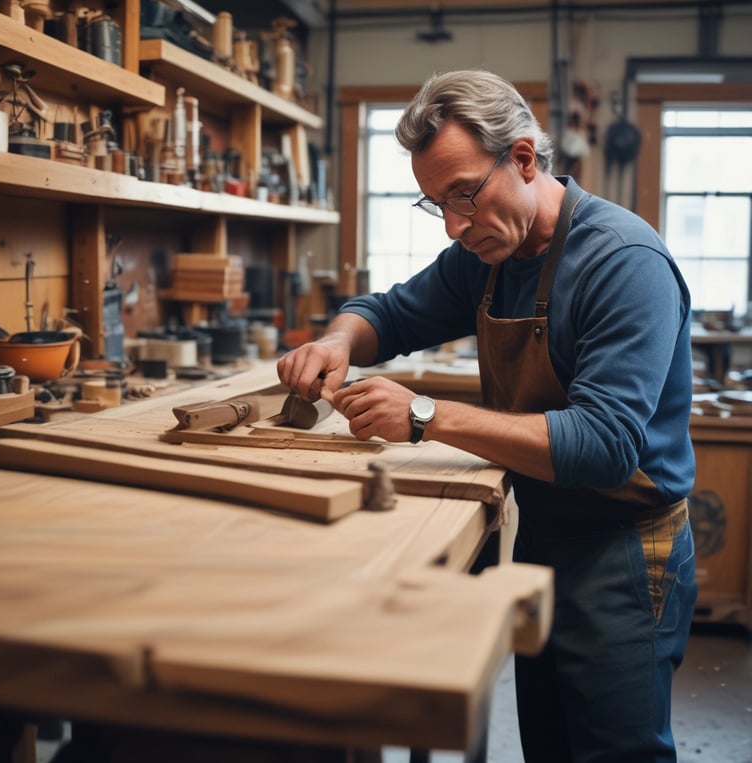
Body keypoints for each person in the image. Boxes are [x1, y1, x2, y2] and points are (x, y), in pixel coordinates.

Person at [277, 69, 697, 763]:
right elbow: (389, 311)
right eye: (435, 203)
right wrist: (336, 340)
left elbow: (605, 444)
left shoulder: (623, 263)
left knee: (616, 751)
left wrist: (422, 413)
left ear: (525, 159)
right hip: (543, 530)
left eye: (465, 194)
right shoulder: (490, 254)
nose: (454, 224)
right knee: (551, 744)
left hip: (622, 545)